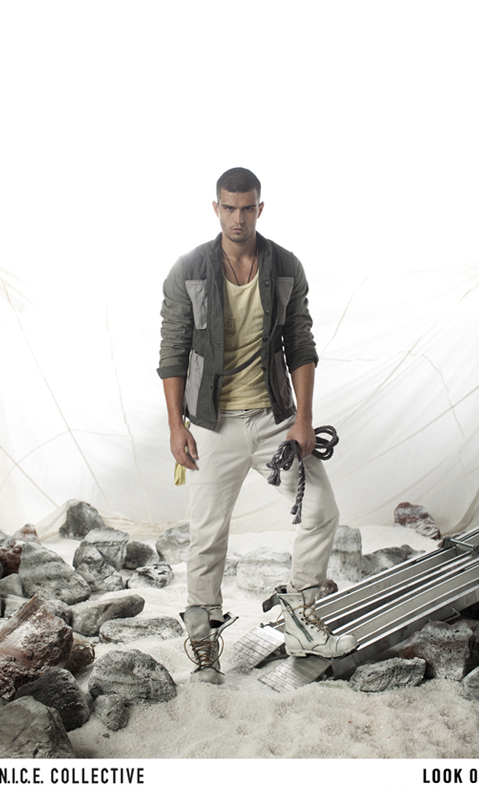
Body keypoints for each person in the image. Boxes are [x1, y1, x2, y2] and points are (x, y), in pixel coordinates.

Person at [158, 167, 356, 684]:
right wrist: (177, 425)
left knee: (321, 510)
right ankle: (204, 644)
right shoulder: (189, 269)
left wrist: (303, 420)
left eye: (248, 208)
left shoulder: (285, 266)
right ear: (216, 208)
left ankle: (302, 622)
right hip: (212, 423)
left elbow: (301, 343)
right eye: (229, 208)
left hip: (274, 418)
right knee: (206, 535)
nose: (238, 218)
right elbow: (173, 349)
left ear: (260, 208)